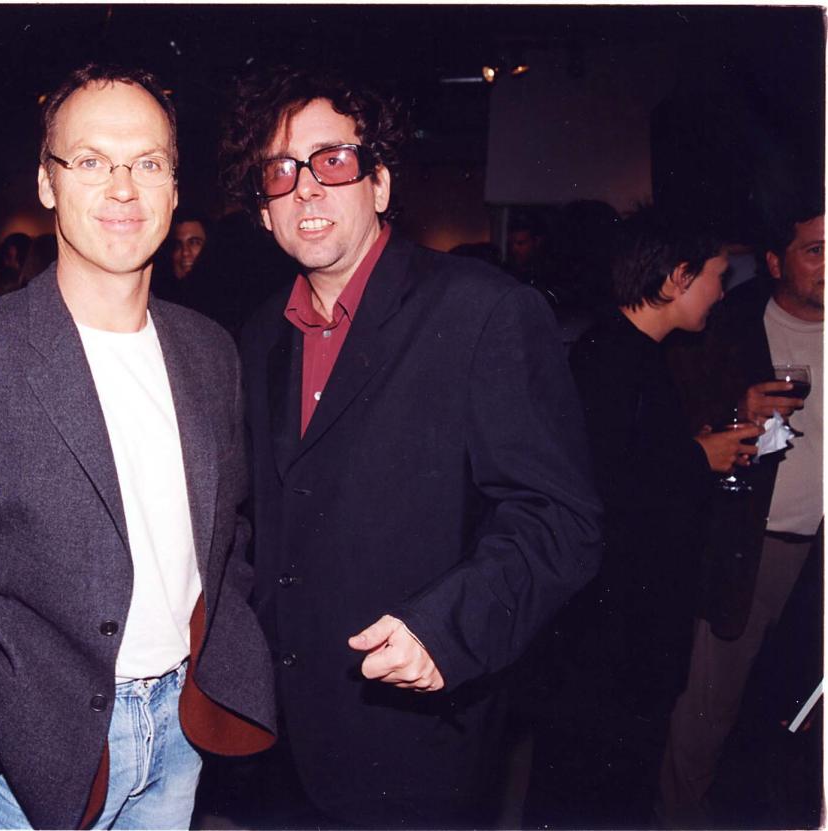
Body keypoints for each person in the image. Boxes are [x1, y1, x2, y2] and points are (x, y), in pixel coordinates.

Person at [0, 64, 276, 831]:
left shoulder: (210, 351)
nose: (123, 188)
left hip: (182, 731)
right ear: (47, 184)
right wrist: (2, 714)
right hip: (39, 751)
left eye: (148, 163)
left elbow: (225, 531)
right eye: (91, 161)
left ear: (175, 189)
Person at [221, 66, 603, 828]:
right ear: (264, 213)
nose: (307, 188)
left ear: (381, 183)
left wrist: (449, 628)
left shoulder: (482, 311)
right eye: (281, 171)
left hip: (415, 741)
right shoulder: (259, 335)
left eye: (334, 161)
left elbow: (560, 519)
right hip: (284, 742)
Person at [523, 206, 761, 827]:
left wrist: (693, 452)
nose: (720, 292)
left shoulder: (628, 350)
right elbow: (602, 493)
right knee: (596, 790)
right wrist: (694, 458)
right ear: (679, 277)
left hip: (620, 633)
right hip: (611, 638)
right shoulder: (613, 356)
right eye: (716, 276)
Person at [658, 204, 823, 827]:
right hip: (755, 545)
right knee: (709, 705)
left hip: (821, 553)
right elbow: (670, 427)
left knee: (796, 705)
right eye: (815, 250)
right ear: (777, 262)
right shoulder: (726, 325)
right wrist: (735, 408)